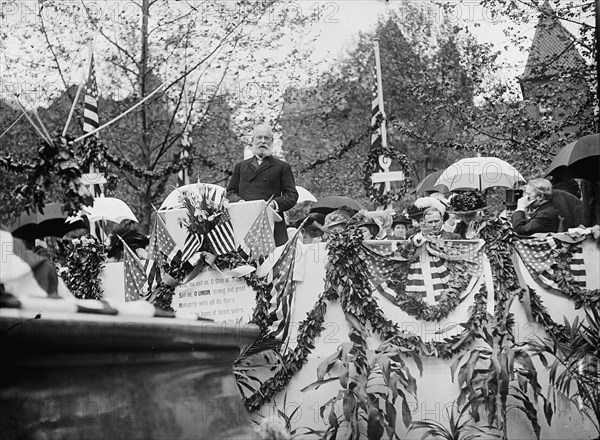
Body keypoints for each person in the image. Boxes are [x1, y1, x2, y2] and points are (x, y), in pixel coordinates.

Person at [226, 123, 299, 246]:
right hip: (245, 222)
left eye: (266, 138)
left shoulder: (282, 166)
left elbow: (291, 195)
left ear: (272, 141)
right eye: (259, 137)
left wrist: (274, 204)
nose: (262, 141)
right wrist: (240, 202)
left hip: (272, 224)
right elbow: (230, 192)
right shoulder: (241, 167)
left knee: (272, 262)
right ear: (252, 141)